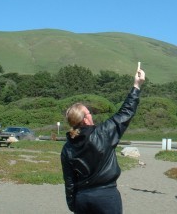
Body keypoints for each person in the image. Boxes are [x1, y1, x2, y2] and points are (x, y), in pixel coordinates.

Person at [61, 64, 145, 213]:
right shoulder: (102, 133)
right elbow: (125, 113)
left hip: (82, 198)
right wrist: (136, 86)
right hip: (106, 196)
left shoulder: (67, 147)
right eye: (89, 113)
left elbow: (69, 181)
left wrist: (73, 205)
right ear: (85, 120)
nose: (91, 114)